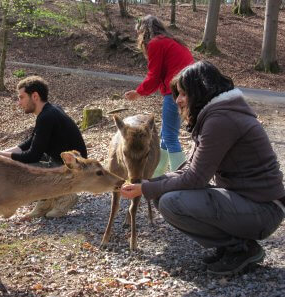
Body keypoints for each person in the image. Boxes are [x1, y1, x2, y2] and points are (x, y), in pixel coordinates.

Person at [120, 61, 285, 275]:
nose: (177, 100)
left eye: (182, 94)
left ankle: (241, 248)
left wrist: (146, 189)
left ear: (201, 91)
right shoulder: (217, 114)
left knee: (171, 201)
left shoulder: (221, 120)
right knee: (163, 195)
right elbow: (189, 168)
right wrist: (148, 183)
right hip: (248, 202)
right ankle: (232, 245)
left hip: (264, 210)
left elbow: (195, 178)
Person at [0, 76, 87, 219]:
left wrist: (3, 158)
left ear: (35, 96)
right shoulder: (50, 110)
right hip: (64, 163)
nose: (19, 103)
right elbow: (31, 142)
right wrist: (1, 153)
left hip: (73, 169)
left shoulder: (46, 117)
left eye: (21, 97)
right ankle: (45, 201)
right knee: (22, 162)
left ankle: (65, 196)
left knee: (19, 168)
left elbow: (33, 156)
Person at [124, 15, 194, 177]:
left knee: (170, 137)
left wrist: (138, 92)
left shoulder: (156, 43)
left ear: (143, 31)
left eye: (139, 33)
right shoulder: (170, 41)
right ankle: (156, 174)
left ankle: (182, 177)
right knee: (165, 136)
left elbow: (154, 75)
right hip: (186, 90)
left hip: (177, 92)